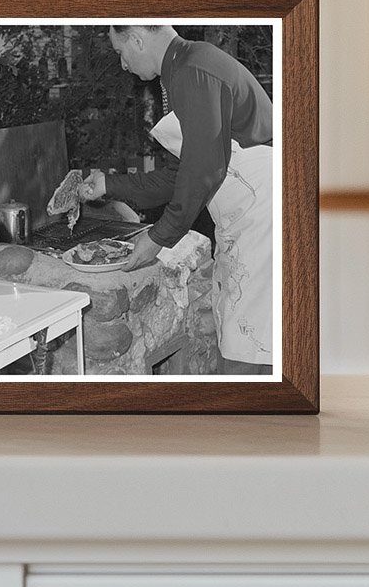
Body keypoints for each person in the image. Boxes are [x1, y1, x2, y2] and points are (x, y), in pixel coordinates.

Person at [80, 24, 274, 375]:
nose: (122, 65)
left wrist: (158, 238)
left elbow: (203, 170)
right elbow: (176, 176)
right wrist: (109, 185)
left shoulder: (193, 70)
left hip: (264, 218)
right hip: (243, 218)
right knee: (240, 336)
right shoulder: (178, 72)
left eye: (120, 51)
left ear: (138, 39)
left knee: (252, 350)